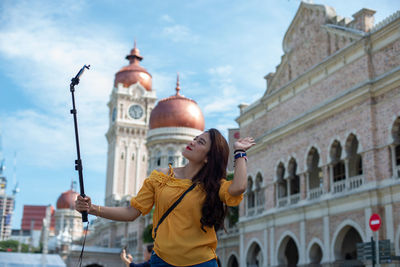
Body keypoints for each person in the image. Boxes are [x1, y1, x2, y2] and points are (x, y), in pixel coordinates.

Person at [76, 128, 255, 266]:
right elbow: (131, 212)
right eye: (195, 138)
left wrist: (239, 152)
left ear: (208, 157)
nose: (192, 142)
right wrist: (92, 209)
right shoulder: (160, 177)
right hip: (162, 261)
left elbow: (239, 186)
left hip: (201, 263)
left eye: (200, 142)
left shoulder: (214, 185)